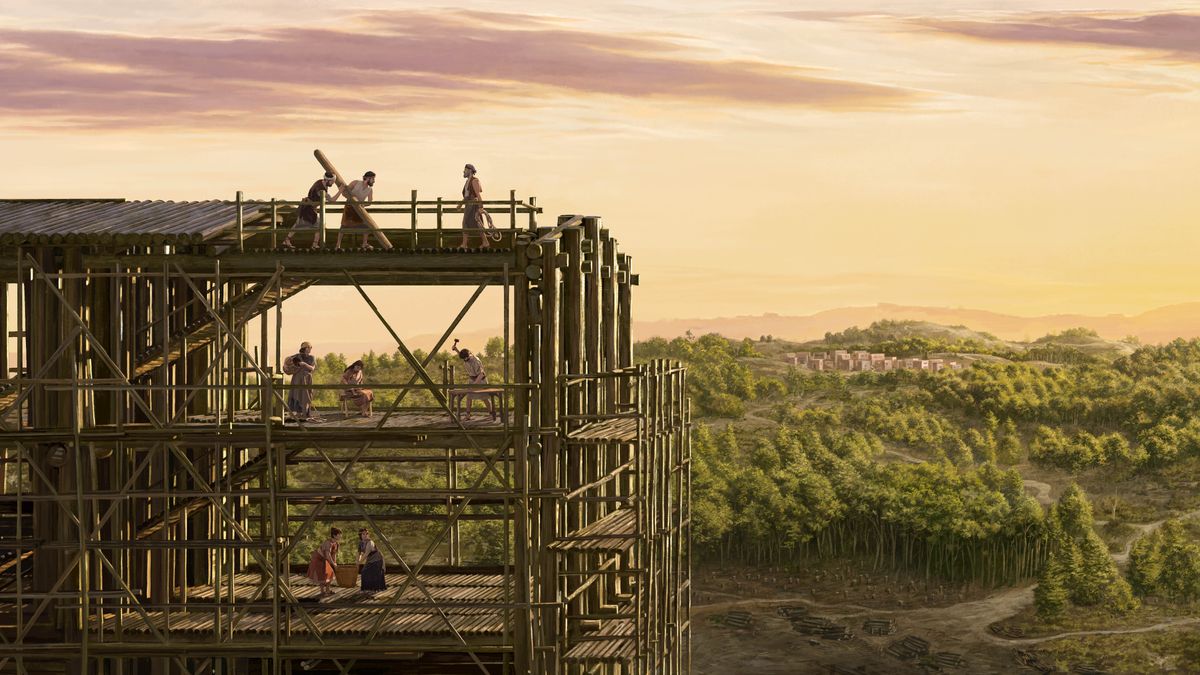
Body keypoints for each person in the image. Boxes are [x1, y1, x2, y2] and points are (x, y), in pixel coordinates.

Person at [282, 172, 337, 249]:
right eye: (332, 181)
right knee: (319, 225)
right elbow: (332, 200)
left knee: (298, 224)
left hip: (307, 206)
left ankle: (287, 240)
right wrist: (340, 190)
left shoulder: (320, 182)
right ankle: (314, 244)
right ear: (328, 180)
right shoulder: (321, 190)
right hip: (308, 208)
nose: (333, 183)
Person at [452, 339, 495, 420]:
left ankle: (491, 414)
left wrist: (475, 384)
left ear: (468, 355)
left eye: (465, 358)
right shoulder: (466, 357)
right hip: (472, 380)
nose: (465, 360)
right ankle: (468, 415)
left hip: (480, 380)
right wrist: (456, 349)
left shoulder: (476, 361)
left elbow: (481, 374)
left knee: (484, 397)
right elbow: (461, 355)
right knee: (469, 397)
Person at [334, 170, 376, 250]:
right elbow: (344, 192)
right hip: (349, 207)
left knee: (366, 226)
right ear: (368, 178)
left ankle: (364, 244)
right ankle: (337, 245)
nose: (374, 181)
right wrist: (351, 199)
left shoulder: (369, 190)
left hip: (359, 210)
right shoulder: (355, 183)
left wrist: (362, 205)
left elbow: (370, 202)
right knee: (343, 226)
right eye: (373, 179)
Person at [458, 164, 489, 249]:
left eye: (465, 170)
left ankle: (465, 244)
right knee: (470, 223)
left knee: (474, 223)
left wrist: (481, 207)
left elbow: (478, 195)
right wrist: (460, 204)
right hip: (468, 205)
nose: (464, 171)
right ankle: (483, 242)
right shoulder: (467, 181)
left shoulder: (474, 181)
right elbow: (466, 196)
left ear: (470, 170)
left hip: (473, 205)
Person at [284, 342, 317, 421]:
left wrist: (304, 364)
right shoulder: (297, 356)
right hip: (297, 378)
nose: (310, 349)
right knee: (297, 394)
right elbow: (287, 360)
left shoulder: (311, 357)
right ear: (305, 348)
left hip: (307, 378)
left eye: (310, 347)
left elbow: (312, 368)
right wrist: (286, 364)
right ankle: (297, 414)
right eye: (308, 347)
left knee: (307, 395)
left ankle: (305, 413)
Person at [306, 527, 342, 597]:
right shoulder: (328, 543)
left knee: (330, 573)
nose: (340, 536)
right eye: (339, 534)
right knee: (321, 575)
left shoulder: (336, 544)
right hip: (318, 559)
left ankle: (328, 590)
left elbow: (334, 554)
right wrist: (333, 564)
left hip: (324, 559)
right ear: (334, 535)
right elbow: (328, 555)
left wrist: (335, 563)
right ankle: (322, 592)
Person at [357, 528, 387, 596]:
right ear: (360, 535)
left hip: (377, 560)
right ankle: (365, 589)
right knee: (364, 572)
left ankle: (373, 590)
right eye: (363, 534)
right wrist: (357, 561)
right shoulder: (361, 543)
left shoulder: (370, 542)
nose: (365, 535)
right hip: (370, 560)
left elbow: (366, 554)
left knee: (372, 573)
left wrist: (359, 562)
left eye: (366, 533)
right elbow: (358, 553)